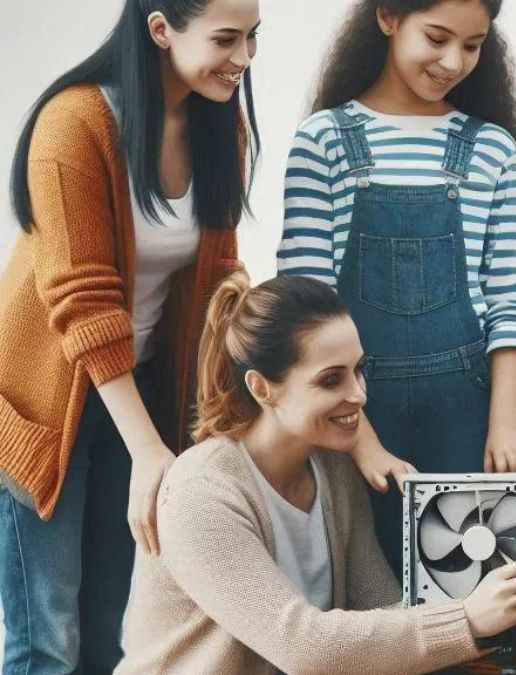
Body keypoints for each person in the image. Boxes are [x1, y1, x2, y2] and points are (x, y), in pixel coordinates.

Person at [0, 0, 259, 670]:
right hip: (44, 408)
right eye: (227, 39)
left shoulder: (215, 125)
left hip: (136, 397)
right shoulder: (76, 124)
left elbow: (216, 282)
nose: (245, 59)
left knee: (114, 623)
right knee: (48, 639)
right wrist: (148, 452)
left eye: (254, 38)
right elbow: (84, 301)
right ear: (161, 29)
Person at [116, 271, 516, 674]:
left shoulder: (334, 470)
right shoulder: (202, 493)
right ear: (261, 388)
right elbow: (302, 647)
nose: (358, 395)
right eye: (330, 381)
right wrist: (466, 619)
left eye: (359, 370)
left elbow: (380, 606)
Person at [276, 0, 516, 574]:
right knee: (368, 584)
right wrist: (361, 440)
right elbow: (305, 307)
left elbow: (512, 297)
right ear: (389, 18)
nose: (453, 61)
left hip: (467, 412)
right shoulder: (322, 142)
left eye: (472, 46)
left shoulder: (493, 148)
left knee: (471, 576)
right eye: (437, 38)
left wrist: (504, 423)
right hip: (352, 411)